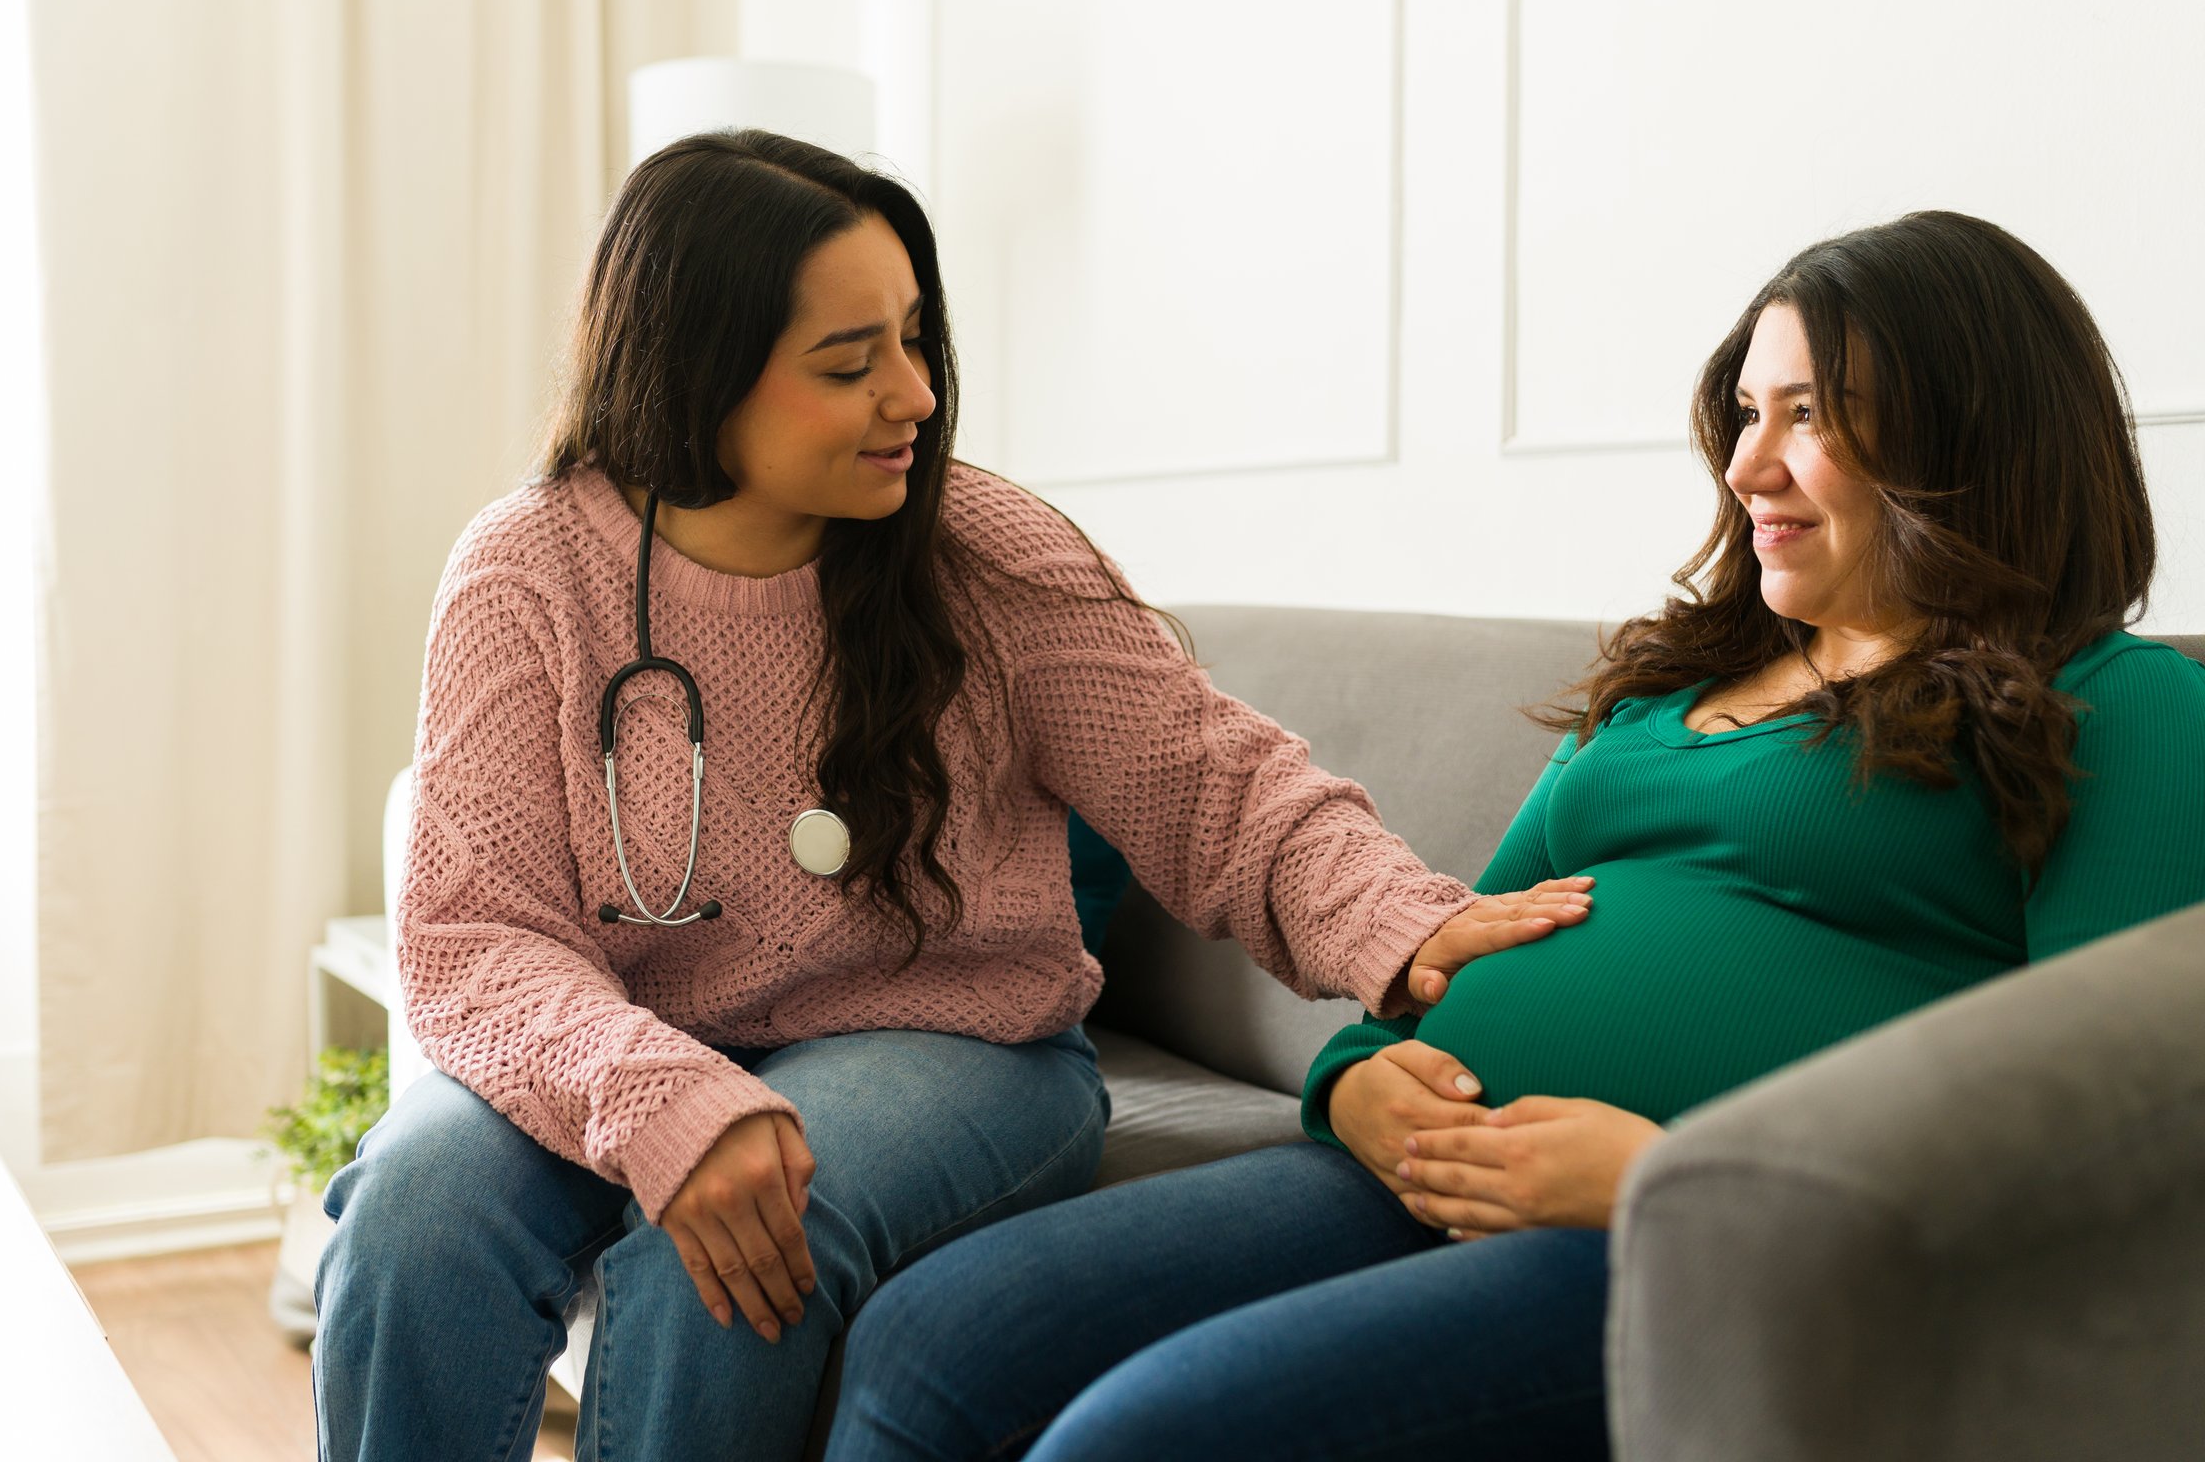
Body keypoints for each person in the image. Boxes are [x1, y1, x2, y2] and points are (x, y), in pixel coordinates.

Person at [823, 209, 2205, 1462]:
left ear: (1969, 437)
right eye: (1743, 412)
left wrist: (1667, 1183)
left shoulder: (2117, 703)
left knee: (1140, 1443)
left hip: (1679, 1237)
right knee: (933, 1341)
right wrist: (1357, 1081)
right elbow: (1444, 945)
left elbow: (2112, 1135)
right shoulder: (1670, 696)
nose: (1748, 465)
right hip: (1395, 1163)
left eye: (1812, 415)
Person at [309, 130, 1590, 1462]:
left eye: (918, 341)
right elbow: (473, 936)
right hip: (625, 1034)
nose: (915, 395)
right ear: (698, 375)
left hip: (959, 1045)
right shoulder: (528, 572)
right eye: (850, 364)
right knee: (415, 1215)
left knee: (748, 1241)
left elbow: (1215, 782)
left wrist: (1402, 920)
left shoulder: (987, 552)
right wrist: (657, 1092)